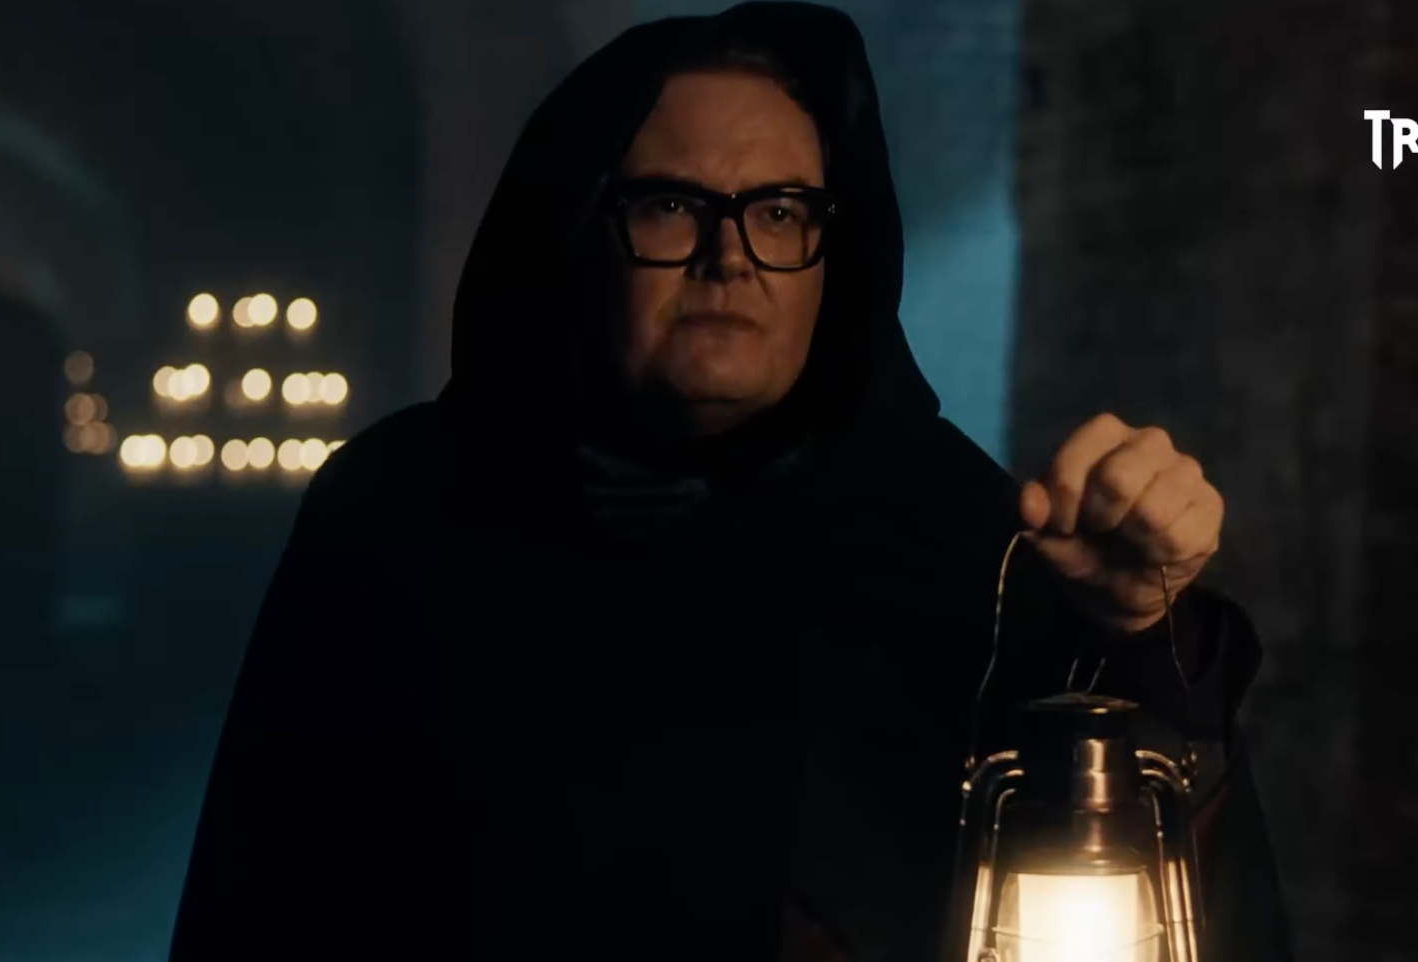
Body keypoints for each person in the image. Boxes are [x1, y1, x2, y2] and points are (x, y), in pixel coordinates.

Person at [169, 4, 1291, 961]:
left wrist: (1142, 636)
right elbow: (263, 889)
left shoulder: (962, 537)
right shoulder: (401, 511)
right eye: (670, 204)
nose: (731, 256)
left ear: (832, 250)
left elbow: (1164, 879)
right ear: (578, 229)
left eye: (780, 211)